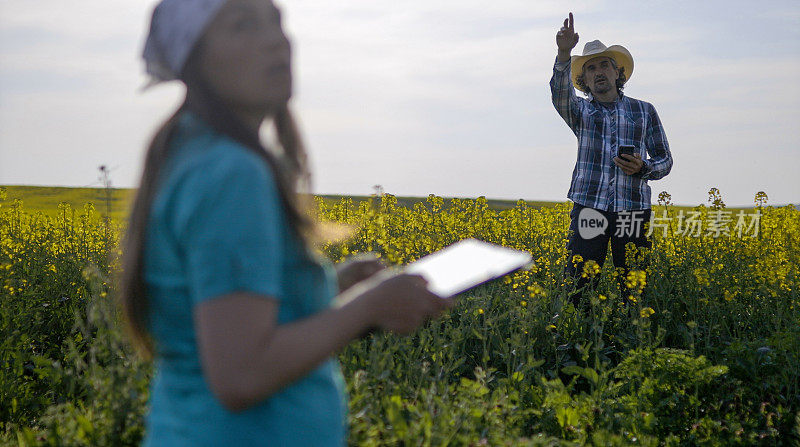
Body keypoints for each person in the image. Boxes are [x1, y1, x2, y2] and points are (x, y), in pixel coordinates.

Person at [120, 0, 453, 445]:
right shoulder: (231, 173)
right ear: (194, 58)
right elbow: (241, 375)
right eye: (243, 25)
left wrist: (330, 288)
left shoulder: (193, 150)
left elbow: (230, 317)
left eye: (276, 21)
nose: (276, 40)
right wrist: (367, 307)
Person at [550, 13, 673, 308]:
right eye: (590, 68)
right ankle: (574, 345)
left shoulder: (644, 111)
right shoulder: (580, 112)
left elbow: (665, 158)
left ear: (618, 73)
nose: (598, 71)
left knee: (634, 289)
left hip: (632, 211)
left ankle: (634, 347)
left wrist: (644, 168)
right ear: (584, 81)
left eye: (604, 64)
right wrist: (564, 52)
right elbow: (560, 93)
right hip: (590, 207)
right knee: (578, 284)